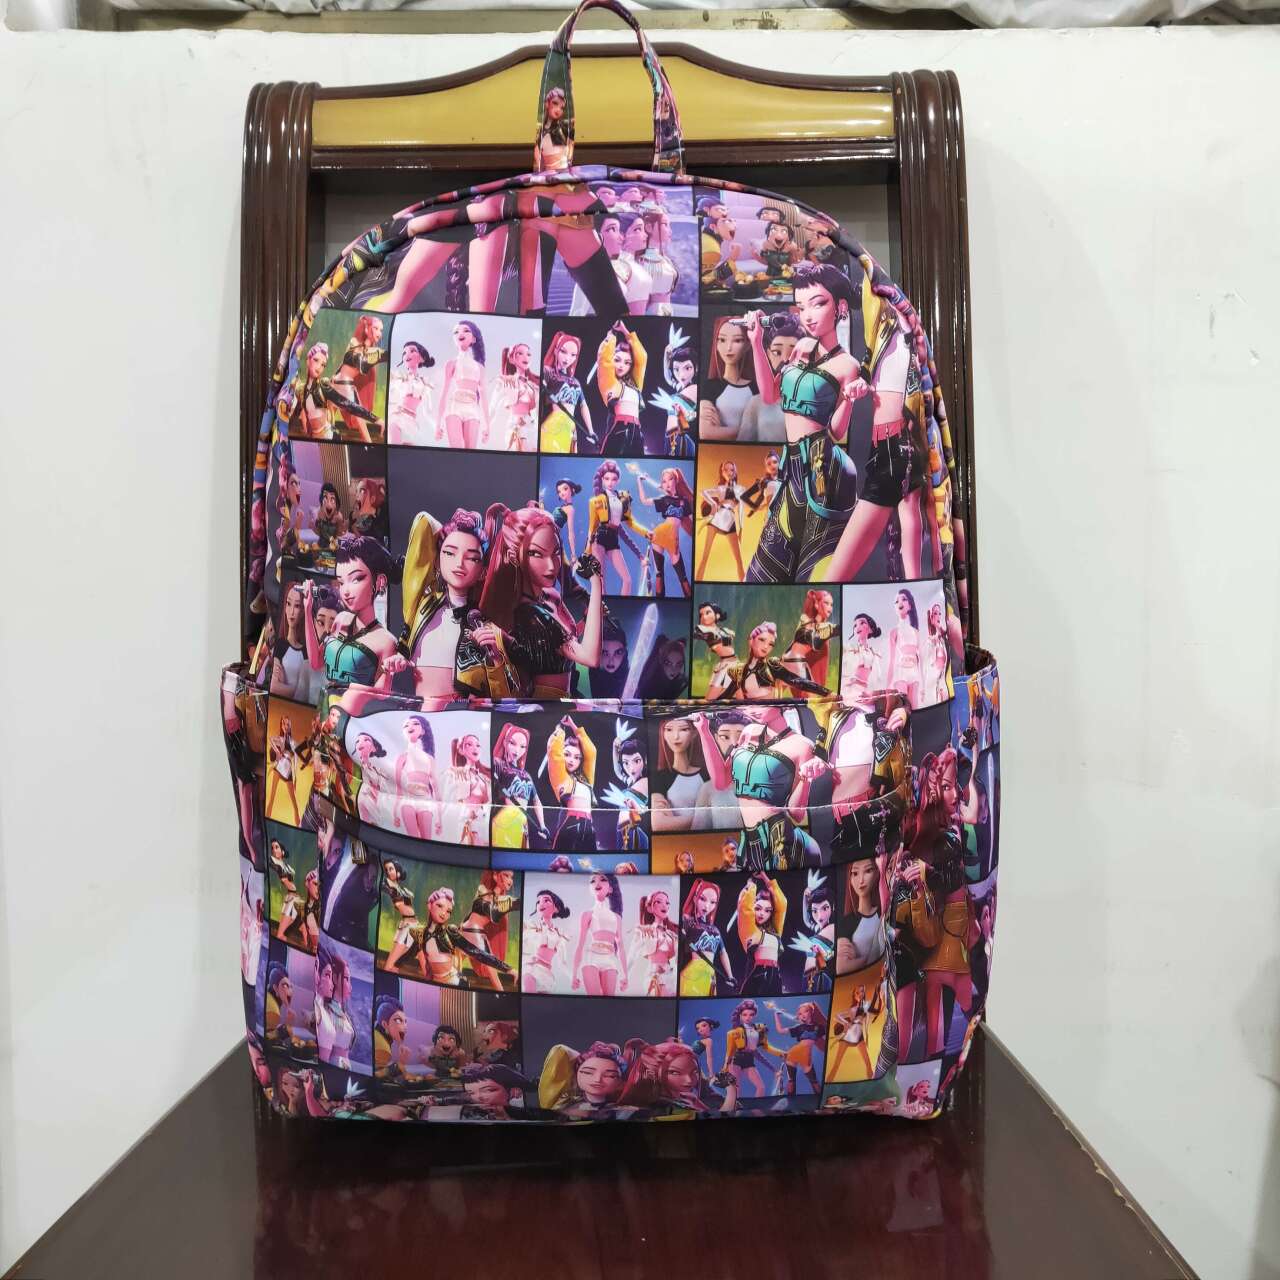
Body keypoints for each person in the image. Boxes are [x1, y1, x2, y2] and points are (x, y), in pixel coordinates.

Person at [742, 262, 871, 583]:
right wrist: (756, 342)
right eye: (802, 307)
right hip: (793, 467)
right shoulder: (800, 348)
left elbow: (837, 431)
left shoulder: (848, 365)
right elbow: (770, 395)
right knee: (763, 571)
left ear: (840, 306)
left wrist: (849, 400)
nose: (808, 315)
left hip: (823, 468)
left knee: (812, 571)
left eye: (818, 303)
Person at [827, 275, 932, 582]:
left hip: (900, 445)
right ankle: (913, 587)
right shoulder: (883, 336)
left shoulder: (911, 338)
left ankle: (914, 586)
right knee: (904, 523)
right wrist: (860, 385)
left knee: (837, 574)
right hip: (882, 449)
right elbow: (870, 369)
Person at [470, 504, 604, 699]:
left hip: (562, 701)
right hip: (546, 706)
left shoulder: (549, 596)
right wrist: (596, 582)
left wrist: (590, 615)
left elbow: (561, 642)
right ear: (513, 556)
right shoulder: (531, 615)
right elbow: (590, 657)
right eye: (536, 554)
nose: (551, 566)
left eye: (555, 552)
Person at [692, 705, 828, 872]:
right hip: (750, 838)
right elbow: (721, 781)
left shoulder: (802, 745)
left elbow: (796, 813)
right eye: (748, 702)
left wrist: (806, 779)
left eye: (760, 703)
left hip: (780, 838)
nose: (751, 709)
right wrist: (704, 731)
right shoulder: (748, 732)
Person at [302, 536, 401, 716]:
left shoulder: (386, 642)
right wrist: (308, 610)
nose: (346, 591)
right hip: (324, 711)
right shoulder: (340, 619)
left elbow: (381, 697)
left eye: (356, 579)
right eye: (341, 582)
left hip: (357, 721)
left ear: (379, 582)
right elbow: (316, 662)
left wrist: (354, 695)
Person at [416, 886, 512, 987]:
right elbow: (426, 969)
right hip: (438, 982)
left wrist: (508, 969)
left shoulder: (450, 931)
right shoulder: (421, 934)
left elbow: (479, 953)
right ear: (429, 905)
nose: (444, 913)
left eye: (448, 911)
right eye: (439, 906)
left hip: (455, 980)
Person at [709, 621, 828, 701]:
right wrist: (703, 705)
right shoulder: (739, 671)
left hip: (771, 720)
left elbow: (799, 682)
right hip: (750, 720)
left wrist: (826, 693)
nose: (766, 647)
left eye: (770, 644)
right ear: (751, 640)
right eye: (762, 640)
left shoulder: (772, 666)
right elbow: (724, 697)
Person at [586, 461, 651, 596]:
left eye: (613, 479)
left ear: (618, 480)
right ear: (602, 479)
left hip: (613, 539)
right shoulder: (595, 501)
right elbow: (592, 527)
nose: (610, 482)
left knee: (627, 580)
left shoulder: (623, 498)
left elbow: (631, 522)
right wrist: (587, 550)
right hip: (599, 538)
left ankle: (621, 605)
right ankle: (602, 608)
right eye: (607, 479)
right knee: (600, 581)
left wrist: (646, 533)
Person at [631, 465, 693, 597]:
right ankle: (660, 601)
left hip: (673, 538)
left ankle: (688, 600)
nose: (667, 483)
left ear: (676, 480)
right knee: (659, 574)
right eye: (664, 481)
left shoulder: (684, 501)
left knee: (683, 577)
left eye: (670, 479)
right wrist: (639, 481)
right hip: (659, 535)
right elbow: (644, 501)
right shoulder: (663, 500)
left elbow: (691, 519)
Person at [490, 723, 548, 848]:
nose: (517, 750)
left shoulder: (526, 775)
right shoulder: (499, 765)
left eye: (522, 746)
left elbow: (536, 801)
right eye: (512, 743)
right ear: (505, 742)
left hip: (522, 822)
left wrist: (542, 825)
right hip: (504, 819)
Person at [698, 316, 757, 441]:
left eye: (737, 340)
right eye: (722, 340)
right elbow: (706, 433)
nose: (728, 347)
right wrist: (748, 430)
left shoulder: (757, 388)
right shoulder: (711, 387)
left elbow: (763, 431)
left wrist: (722, 430)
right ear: (716, 344)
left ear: (747, 345)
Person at [332, 315, 387, 443]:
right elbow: (345, 362)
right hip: (340, 383)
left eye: (381, 330)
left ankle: (370, 442)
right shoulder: (354, 342)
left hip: (346, 384)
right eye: (376, 328)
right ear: (367, 329)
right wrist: (333, 377)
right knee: (332, 413)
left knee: (358, 415)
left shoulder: (374, 351)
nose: (379, 333)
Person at [546, 717, 598, 852]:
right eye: (567, 754)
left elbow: (591, 752)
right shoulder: (561, 778)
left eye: (577, 757)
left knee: (589, 861)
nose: (571, 760)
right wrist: (560, 729)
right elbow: (554, 753)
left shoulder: (586, 778)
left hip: (588, 825)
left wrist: (573, 726)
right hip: (569, 823)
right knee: (563, 858)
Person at [460, 870, 517, 990]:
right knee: (488, 963)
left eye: (511, 877)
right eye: (506, 876)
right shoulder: (484, 891)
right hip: (471, 931)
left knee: (487, 964)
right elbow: (474, 911)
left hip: (473, 931)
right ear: (495, 876)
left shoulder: (504, 899)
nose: (510, 880)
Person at [650, 715, 708, 833]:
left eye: (683, 729)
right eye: (669, 729)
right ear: (663, 734)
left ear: (694, 733)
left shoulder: (708, 774)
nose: (676, 736)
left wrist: (677, 821)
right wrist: (704, 818)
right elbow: (659, 824)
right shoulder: (660, 778)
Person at [438, 320, 490, 449]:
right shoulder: (451, 364)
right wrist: (438, 424)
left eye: (466, 330)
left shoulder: (480, 368)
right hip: (454, 407)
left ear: (473, 339)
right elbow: (444, 394)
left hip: (472, 408)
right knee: (456, 450)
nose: (460, 333)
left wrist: (487, 425)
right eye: (456, 332)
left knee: (470, 451)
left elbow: (484, 397)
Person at [572, 873, 626, 996]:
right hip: (591, 958)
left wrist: (625, 975)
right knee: (594, 999)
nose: (597, 883)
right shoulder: (587, 914)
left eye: (602, 879)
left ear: (610, 889)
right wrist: (574, 974)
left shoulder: (617, 918)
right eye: (593, 881)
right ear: (590, 888)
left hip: (610, 959)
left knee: (608, 1000)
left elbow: (621, 947)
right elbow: (580, 945)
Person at [539, 332, 595, 453]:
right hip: (554, 424)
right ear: (556, 351)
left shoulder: (575, 381)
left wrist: (591, 431)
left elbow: (583, 406)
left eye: (573, 355)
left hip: (570, 426)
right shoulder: (549, 373)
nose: (567, 358)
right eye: (563, 351)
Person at [678, 878, 735, 996]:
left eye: (713, 902)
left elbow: (723, 953)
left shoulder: (715, 929)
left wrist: (730, 976)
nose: (707, 905)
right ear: (695, 898)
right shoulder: (688, 922)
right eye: (702, 899)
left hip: (710, 974)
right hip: (694, 972)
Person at [736, 872, 788, 996]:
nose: (762, 914)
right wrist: (752, 884)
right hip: (756, 977)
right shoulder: (750, 930)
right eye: (758, 908)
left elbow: (782, 904)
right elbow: (744, 909)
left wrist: (764, 877)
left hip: (775, 977)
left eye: (767, 911)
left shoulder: (775, 930)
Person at [721, 999, 783, 1098]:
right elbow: (729, 1052)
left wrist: (781, 1054)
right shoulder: (734, 1032)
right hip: (736, 1059)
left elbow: (766, 1048)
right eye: (745, 1015)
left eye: (751, 1015)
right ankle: (735, 1107)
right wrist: (725, 1067)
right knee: (736, 1089)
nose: (748, 1017)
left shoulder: (759, 1029)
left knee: (761, 1087)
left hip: (749, 1059)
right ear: (740, 1015)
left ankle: (756, 1107)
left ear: (755, 1015)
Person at [696, 459, 747, 581]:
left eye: (731, 470)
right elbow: (702, 492)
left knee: (739, 560)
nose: (729, 472)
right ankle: (697, 582)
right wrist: (713, 503)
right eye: (726, 470)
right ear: (722, 472)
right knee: (705, 557)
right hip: (716, 519)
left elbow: (741, 509)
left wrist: (741, 528)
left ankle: (744, 585)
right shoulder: (720, 488)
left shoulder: (740, 489)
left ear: (735, 472)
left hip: (730, 521)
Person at [393, 714, 441, 840]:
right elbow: (398, 788)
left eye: (415, 723)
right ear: (403, 732)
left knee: (426, 840)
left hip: (426, 801)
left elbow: (436, 789)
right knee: (412, 839)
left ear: (423, 731)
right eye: (406, 725)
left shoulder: (429, 759)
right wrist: (395, 813)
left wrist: (439, 818)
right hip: (407, 800)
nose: (410, 726)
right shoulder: (402, 758)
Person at [779, 589, 837, 693]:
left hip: (801, 666)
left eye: (831, 604)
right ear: (816, 604)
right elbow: (797, 641)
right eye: (826, 603)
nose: (830, 607)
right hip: (798, 666)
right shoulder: (807, 621)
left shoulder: (823, 626)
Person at [836, 855, 885, 974]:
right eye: (855, 873)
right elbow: (841, 968)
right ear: (850, 878)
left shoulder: (884, 913)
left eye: (868, 871)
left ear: (877, 873)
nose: (861, 880)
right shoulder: (847, 922)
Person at [627, 888, 679, 997]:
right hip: (654, 976)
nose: (664, 905)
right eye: (658, 902)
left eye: (667, 903)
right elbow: (632, 955)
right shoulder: (645, 931)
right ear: (650, 908)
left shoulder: (672, 934)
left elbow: (676, 960)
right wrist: (625, 975)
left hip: (671, 977)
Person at [441, 733, 491, 845]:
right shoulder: (455, 773)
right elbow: (447, 799)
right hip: (464, 822)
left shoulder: (484, 778)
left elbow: (487, 803)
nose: (475, 748)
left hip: (482, 824)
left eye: (478, 745)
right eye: (469, 744)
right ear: (461, 750)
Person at [314, 941, 357, 1070]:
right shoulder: (326, 1010)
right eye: (346, 979)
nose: (350, 986)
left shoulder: (342, 1012)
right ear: (335, 978)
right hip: (333, 1065)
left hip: (344, 1066)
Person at [489, 343, 538, 452]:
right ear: (511, 359)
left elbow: (535, 411)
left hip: (531, 426)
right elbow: (493, 406)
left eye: (528, 354)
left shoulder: (532, 385)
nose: (525, 357)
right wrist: (487, 426)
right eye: (520, 353)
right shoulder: (506, 382)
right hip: (516, 425)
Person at [771, 1000, 827, 1095]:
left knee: (814, 1082)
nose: (803, 1015)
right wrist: (776, 1015)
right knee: (791, 1081)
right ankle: (790, 1101)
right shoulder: (799, 1027)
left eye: (805, 1011)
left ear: (811, 1012)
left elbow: (826, 1038)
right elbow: (780, 1031)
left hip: (806, 1057)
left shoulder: (819, 1027)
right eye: (800, 1014)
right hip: (793, 1054)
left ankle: (819, 1099)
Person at [522, 888, 571, 993]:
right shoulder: (531, 926)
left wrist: (572, 977)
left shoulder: (559, 934)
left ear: (556, 908)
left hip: (547, 975)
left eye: (546, 900)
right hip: (530, 969)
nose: (541, 903)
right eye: (538, 902)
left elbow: (562, 962)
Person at [387, 339, 435, 445]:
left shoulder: (425, 383)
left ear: (421, 358)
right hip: (396, 418)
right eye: (404, 353)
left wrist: (435, 426)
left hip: (411, 424)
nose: (407, 354)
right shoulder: (398, 377)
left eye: (412, 351)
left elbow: (427, 411)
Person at [380, 857, 419, 973]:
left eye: (391, 869)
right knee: (390, 964)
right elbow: (398, 904)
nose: (388, 872)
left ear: (397, 870)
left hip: (413, 925)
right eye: (387, 870)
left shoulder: (401, 888)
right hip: (407, 927)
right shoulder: (388, 886)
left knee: (397, 964)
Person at [886, 588, 924, 708]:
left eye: (903, 599)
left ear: (910, 605)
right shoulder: (894, 632)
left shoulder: (916, 633)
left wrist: (923, 684)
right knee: (902, 707)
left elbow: (921, 660)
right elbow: (891, 661)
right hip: (900, 673)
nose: (900, 603)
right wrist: (888, 686)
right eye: (896, 601)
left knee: (914, 708)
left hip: (914, 674)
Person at [695, 601, 737, 698]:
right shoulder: (704, 630)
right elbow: (698, 632)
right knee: (711, 698)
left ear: (717, 615)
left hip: (735, 663)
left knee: (739, 694)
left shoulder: (724, 630)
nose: (704, 617)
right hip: (725, 665)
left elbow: (730, 636)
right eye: (701, 615)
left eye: (707, 613)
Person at [267, 715, 301, 825]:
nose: (285, 726)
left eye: (287, 724)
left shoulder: (293, 743)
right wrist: (277, 751)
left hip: (288, 771)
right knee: (271, 798)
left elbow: (295, 761)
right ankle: (266, 821)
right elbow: (270, 739)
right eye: (283, 724)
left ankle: (298, 827)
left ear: (290, 726)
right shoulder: (279, 739)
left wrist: (295, 778)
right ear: (281, 725)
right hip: (279, 767)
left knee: (295, 805)